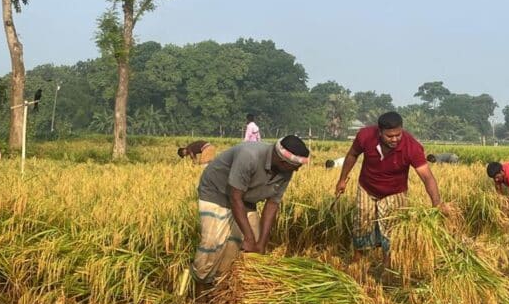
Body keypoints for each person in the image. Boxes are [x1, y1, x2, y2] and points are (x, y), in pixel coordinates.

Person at [190, 135, 310, 294]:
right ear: (282, 161)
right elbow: (235, 197)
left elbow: (272, 205)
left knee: (239, 246)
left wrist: (261, 243)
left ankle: (222, 286)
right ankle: (201, 287)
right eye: (295, 166)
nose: (296, 170)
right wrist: (250, 238)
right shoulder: (249, 156)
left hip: (246, 198)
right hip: (216, 192)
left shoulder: (285, 171)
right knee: (213, 242)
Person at [335, 111, 447, 271]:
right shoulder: (365, 136)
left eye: (398, 135)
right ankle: (357, 259)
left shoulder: (411, 147)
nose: (394, 139)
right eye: (390, 136)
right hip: (367, 187)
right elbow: (352, 154)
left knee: (390, 228)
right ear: (379, 132)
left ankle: (387, 265)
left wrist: (437, 203)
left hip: (395, 192)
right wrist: (342, 179)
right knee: (361, 223)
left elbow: (427, 177)